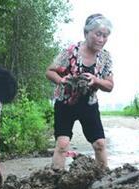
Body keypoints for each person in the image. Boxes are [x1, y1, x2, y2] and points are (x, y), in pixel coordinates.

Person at [45, 13, 114, 170]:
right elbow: (49, 71)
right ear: (86, 33)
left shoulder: (105, 57)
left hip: (88, 105)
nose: (101, 39)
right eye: (98, 34)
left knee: (99, 144)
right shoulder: (71, 52)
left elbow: (109, 86)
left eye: (105, 36)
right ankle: (55, 181)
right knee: (62, 144)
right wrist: (60, 80)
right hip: (65, 104)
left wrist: (96, 81)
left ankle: (103, 181)